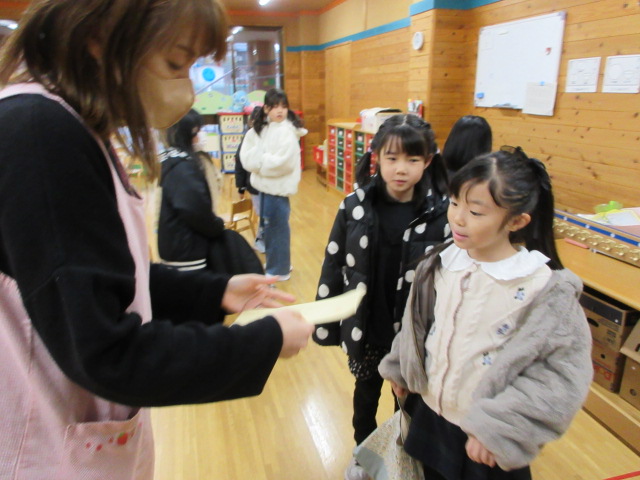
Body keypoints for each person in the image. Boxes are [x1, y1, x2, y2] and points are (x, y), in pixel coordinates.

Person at [0, 1, 313, 478]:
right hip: (43, 451)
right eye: (174, 63)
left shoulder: (70, 125)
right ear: (99, 37)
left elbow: (99, 278)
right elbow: (109, 353)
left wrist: (215, 291)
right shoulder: (40, 134)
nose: (184, 89)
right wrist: (263, 341)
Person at [378, 148, 593, 480]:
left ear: (517, 221)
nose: (458, 218)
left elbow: (561, 376)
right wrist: (402, 366)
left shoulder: (543, 289)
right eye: (454, 203)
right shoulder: (442, 262)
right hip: (430, 415)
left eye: (476, 212)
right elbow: (418, 326)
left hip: (484, 439)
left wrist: (500, 427)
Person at [312, 114, 451, 480]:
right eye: (392, 158)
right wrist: (327, 321)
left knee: (406, 400)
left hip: (413, 333)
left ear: (428, 161)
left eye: (412, 159)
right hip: (368, 326)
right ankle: (362, 454)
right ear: (377, 157)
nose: (400, 168)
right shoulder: (354, 205)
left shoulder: (440, 212)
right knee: (366, 394)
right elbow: (333, 262)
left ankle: (400, 457)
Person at [239, 88, 307, 281]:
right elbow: (245, 156)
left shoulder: (287, 131)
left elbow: (283, 163)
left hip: (278, 191)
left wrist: (259, 163)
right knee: (269, 229)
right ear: (266, 108)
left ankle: (279, 270)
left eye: (284, 106)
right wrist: (261, 162)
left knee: (277, 230)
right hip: (265, 189)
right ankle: (276, 264)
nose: (280, 110)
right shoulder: (262, 128)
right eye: (275, 106)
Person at [158, 108, 225, 271]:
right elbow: (195, 209)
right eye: (197, 131)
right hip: (186, 249)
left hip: (178, 245)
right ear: (186, 133)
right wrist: (217, 225)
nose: (200, 135)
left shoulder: (175, 160)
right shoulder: (182, 168)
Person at [235, 105, 265, 253]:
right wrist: (241, 187)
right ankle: (261, 240)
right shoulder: (248, 138)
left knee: (267, 215)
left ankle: (262, 240)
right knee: (262, 214)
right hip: (254, 185)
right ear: (251, 122)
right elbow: (239, 162)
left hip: (269, 185)